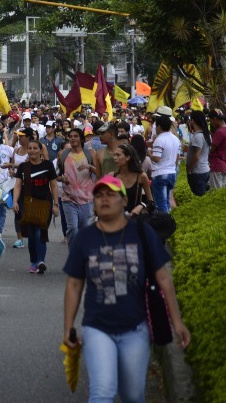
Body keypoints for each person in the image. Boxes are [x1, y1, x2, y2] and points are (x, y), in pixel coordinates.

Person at [63, 175, 190, 403]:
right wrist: (68, 328)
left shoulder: (142, 234)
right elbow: (73, 285)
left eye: (110, 194)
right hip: (97, 327)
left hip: (135, 329)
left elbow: (163, 278)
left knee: (132, 395)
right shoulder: (85, 238)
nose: (104, 200)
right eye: (99, 195)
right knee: (101, 392)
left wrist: (177, 322)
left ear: (123, 201)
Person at [12, 140, 60, 274]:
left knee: (40, 232)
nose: (32, 150)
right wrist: (15, 201)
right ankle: (33, 261)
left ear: (40, 151)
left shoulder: (48, 165)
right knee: (32, 235)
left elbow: (54, 185)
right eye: (30, 148)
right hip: (27, 203)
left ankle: (40, 261)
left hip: (45, 204)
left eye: (35, 148)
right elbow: (17, 185)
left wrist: (56, 204)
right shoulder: (23, 167)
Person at [58, 129, 96, 246]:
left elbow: (100, 172)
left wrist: (89, 166)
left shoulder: (90, 153)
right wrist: (62, 179)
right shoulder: (63, 154)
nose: (73, 138)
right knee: (73, 229)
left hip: (86, 199)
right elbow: (57, 175)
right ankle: (73, 256)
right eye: (70, 136)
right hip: (68, 198)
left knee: (84, 230)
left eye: (76, 136)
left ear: (81, 139)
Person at [4, 128, 31, 248]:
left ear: (28, 138)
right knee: (17, 211)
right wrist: (11, 171)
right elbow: (14, 169)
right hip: (16, 184)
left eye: (22, 136)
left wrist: (11, 165)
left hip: (29, 185)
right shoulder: (15, 150)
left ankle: (30, 234)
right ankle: (20, 238)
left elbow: (28, 165)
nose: (19, 139)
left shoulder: (32, 151)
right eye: (18, 136)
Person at [111, 144, 155, 216]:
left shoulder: (141, 176)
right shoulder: (112, 176)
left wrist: (141, 206)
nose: (114, 158)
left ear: (128, 157)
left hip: (134, 221)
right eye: (114, 155)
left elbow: (151, 202)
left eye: (118, 155)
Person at [149, 115, 180, 213]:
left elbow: (156, 159)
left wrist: (149, 154)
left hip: (160, 174)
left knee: (161, 205)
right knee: (166, 203)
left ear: (159, 127)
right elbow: (177, 159)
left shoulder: (159, 140)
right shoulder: (176, 139)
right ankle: (169, 223)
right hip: (172, 173)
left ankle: (165, 226)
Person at [186, 111, 211, 196]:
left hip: (198, 172)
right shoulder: (207, 134)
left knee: (200, 197)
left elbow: (197, 156)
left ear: (192, 121)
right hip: (205, 169)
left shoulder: (198, 136)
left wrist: (189, 169)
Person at [208, 108, 226, 189]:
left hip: (217, 165)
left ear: (215, 119)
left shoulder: (219, 132)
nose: (211, 123)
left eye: (211, 120)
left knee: (216, 193)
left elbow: (212, 149)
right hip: (224, 165)